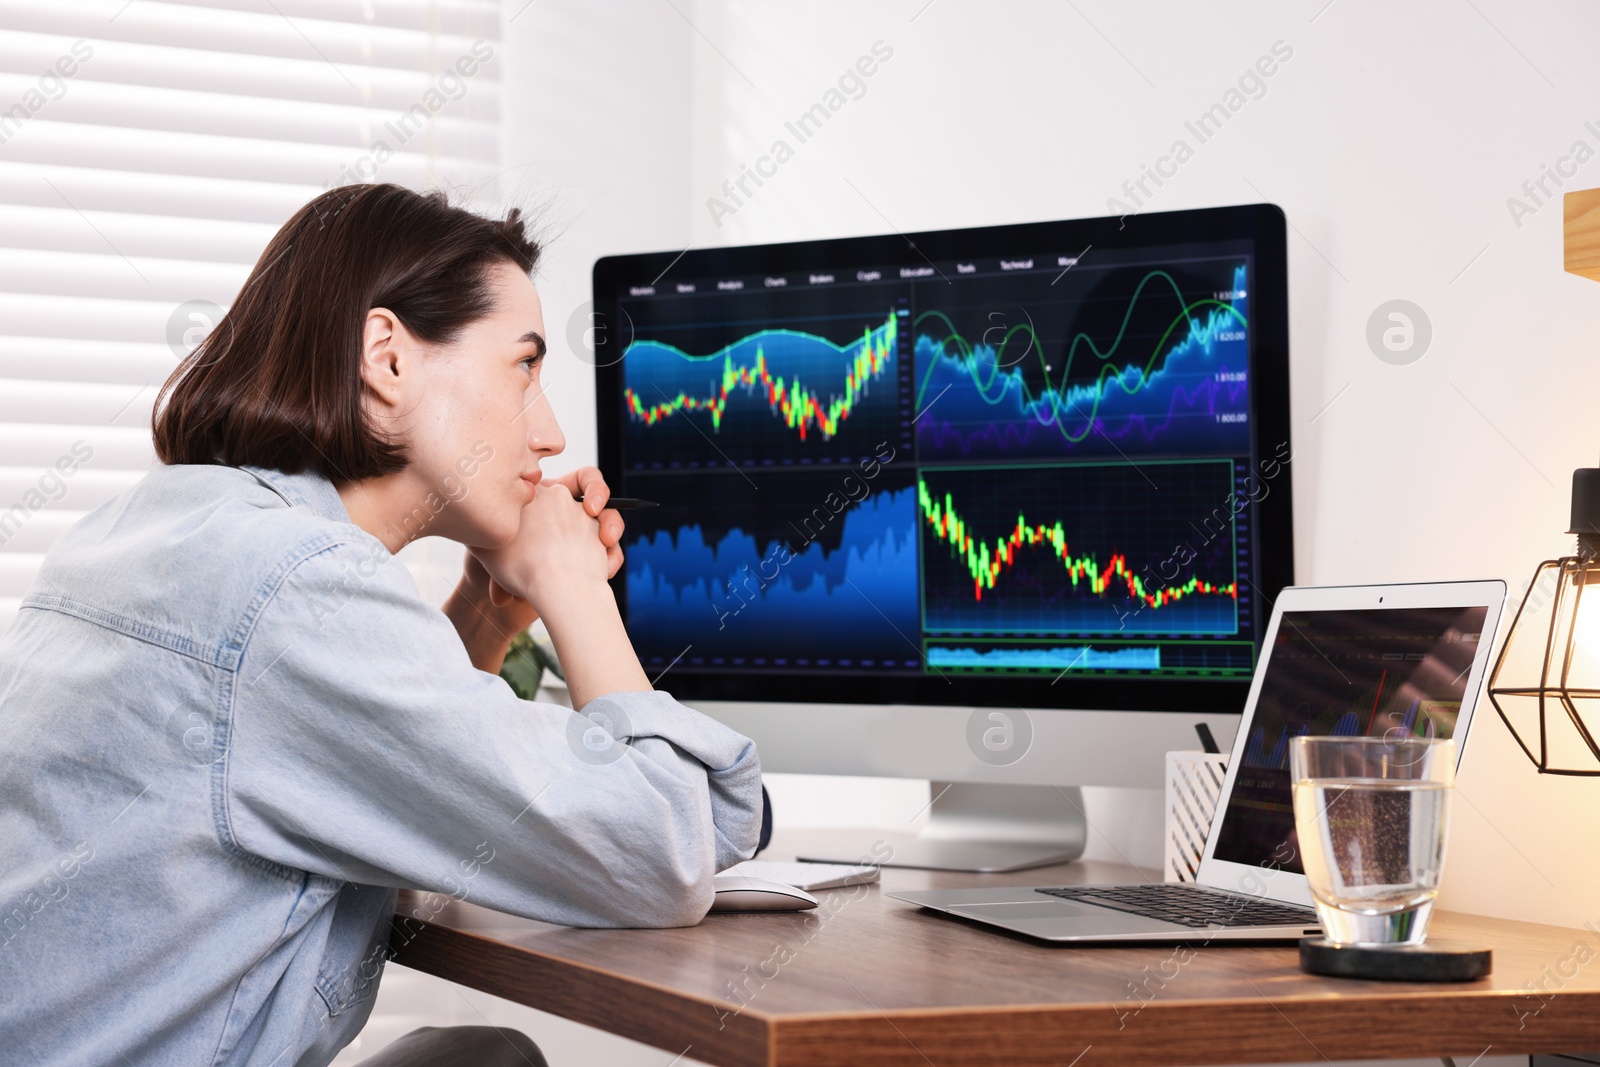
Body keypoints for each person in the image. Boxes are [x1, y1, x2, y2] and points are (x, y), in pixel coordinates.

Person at [0, 184, 762, 1066]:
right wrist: (572, 586)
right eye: (523, 367)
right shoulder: (298, 590)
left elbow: (354, 764)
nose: (550, 432)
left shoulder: (159, 529)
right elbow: (663, 851)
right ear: (388, 359)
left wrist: (484, 610)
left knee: (474, 1052)